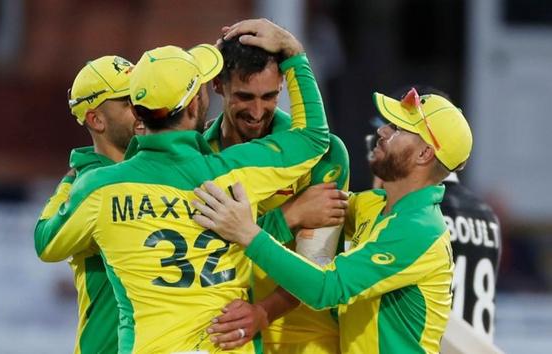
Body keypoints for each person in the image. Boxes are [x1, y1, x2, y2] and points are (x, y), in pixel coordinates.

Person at [35, 18, 330, 353]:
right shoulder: (231, 172)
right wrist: (294, 54)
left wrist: (75, 178)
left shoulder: (97, 189)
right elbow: (314, 137)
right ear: (194, 105)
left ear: (137, 111)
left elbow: (47, 242)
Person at [193, 88, 472, 353]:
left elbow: (327, 288)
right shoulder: (376, 206)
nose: (382, 130)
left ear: (424, 154)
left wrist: (248, 234)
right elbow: (311, 205)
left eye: (398, 129)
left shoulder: (417, 229)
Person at [202, 35, 350, 353]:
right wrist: (290, 215)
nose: (258, 112)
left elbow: (317, 266)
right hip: (225, 336)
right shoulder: (198, 155)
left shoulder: (325, 156)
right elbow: (202, 250)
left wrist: (263, 312)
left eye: (269, 96)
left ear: (283, 84)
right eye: (244, 96)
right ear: (218, 85)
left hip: (305, 337)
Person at [365, 87, 502, 340]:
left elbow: (335, 286)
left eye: (398, 128)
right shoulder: (487, 216)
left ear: (425, 149)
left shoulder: (419, 217)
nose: (381, 135)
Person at [34, 55, 144, 354]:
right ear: (96, 119)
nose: (140, 109)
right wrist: (71, 181)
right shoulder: (92, 183)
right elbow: (45, 243)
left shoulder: (154, 166)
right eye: (127, 102)